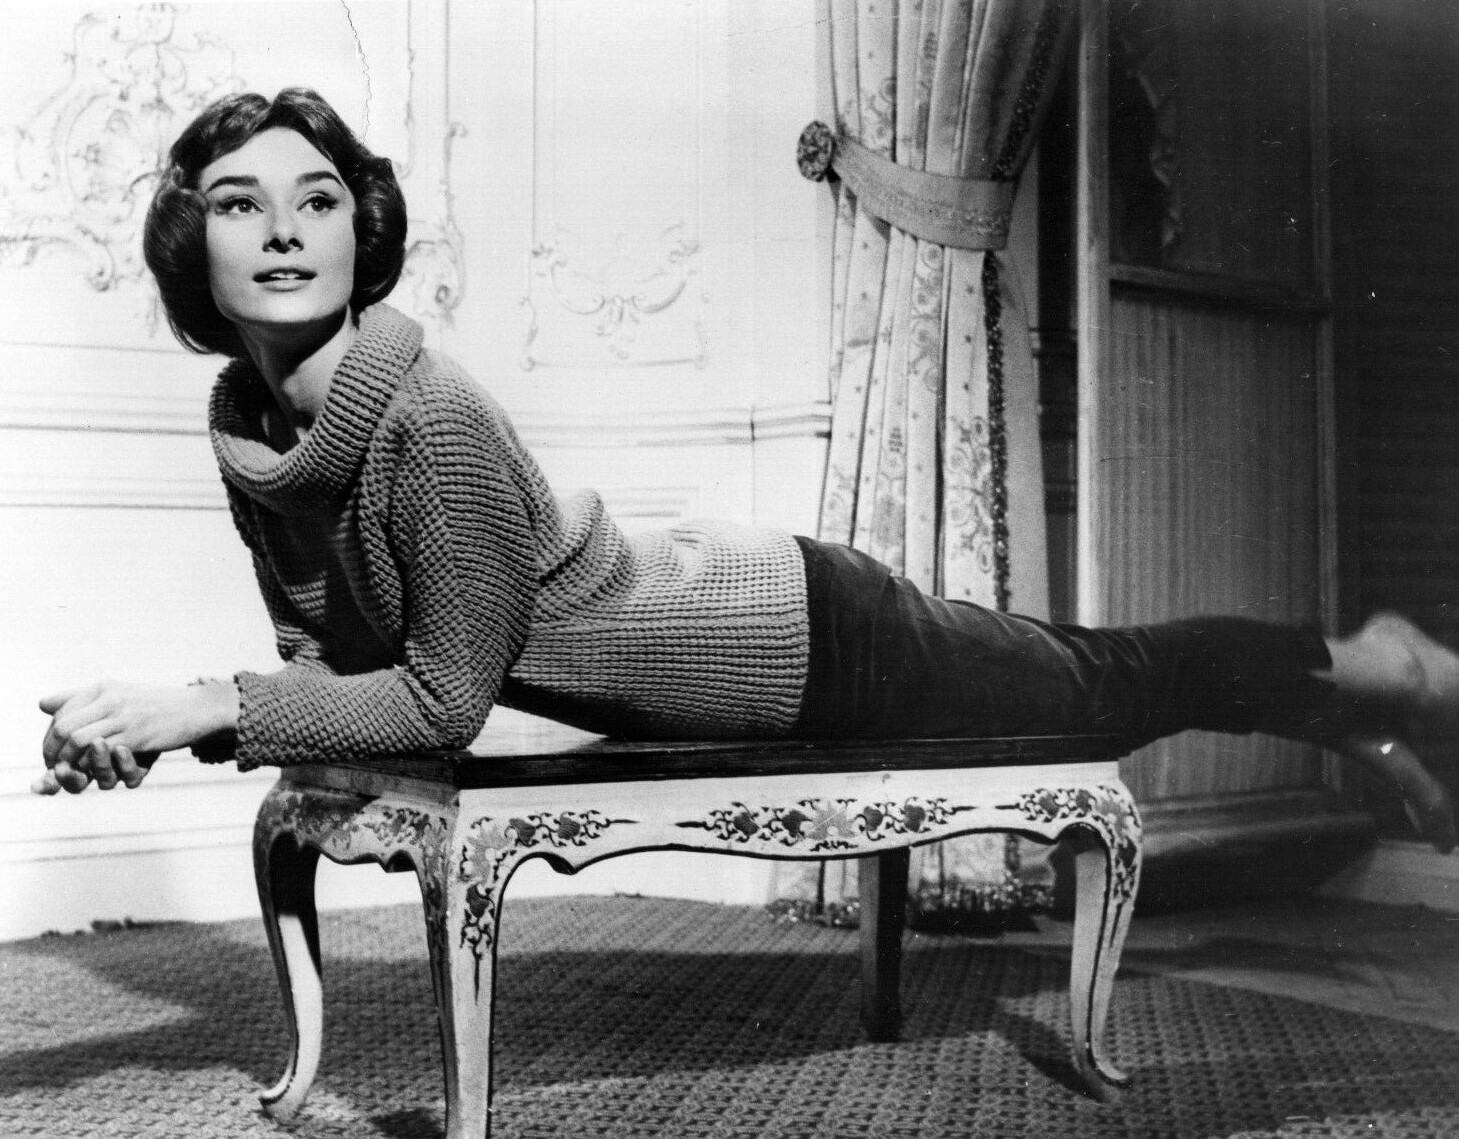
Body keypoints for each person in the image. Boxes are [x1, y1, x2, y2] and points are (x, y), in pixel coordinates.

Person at [33, 88, 1459, 856]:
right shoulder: (253, 429)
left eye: (319, 198)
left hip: (807, 636)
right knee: (1103, 683)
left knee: (1108, 686)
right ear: (194, 250)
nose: (285, 229)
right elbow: (327, 658)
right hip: (734, 624)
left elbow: (443, 697)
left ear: (365, 233)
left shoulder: (431, 418)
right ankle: (1350, 722)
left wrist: (205, 707)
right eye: (241, 204)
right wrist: (166, 725)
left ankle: (1373, 666)